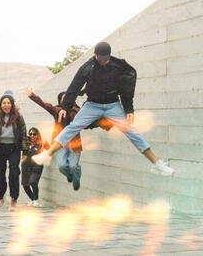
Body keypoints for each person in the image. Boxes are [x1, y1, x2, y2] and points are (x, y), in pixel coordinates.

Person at [32, 42, 175, 176]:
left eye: (105, 59)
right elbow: (74, 86)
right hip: (92, 105)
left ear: (109, 56)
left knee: (132, 132)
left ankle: (156, 163)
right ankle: (47, 155)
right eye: (100, 59)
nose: (103, 61)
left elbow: (126, 89)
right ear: (95, 55)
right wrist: (65, 106)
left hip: (113, 105)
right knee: (73, 127)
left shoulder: (119, 66)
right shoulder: (88, 67)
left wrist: (129, 110)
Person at [25, 87, 113, 190]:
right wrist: (32, 95)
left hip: (74, 144)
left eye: (68, 97)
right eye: (63, 98)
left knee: (73, 166)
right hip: (59, 145)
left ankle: (76, 178)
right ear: (60, 101)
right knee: (62, 167)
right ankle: (70, 175)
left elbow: (91, 123)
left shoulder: (79, 113)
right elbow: (44, 105)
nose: (66, 100)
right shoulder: (56, 111)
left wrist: (107, 123)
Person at [0, 90, 27, 210]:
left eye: (8, 103)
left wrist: (25, 151)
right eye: (4, 103)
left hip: (14, 148)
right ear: (0, 105)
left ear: (12, 104)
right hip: (0, 148)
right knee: (0, 174)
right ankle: (0, 197)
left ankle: (14, 199)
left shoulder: (18, 117)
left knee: (14, 173)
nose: (6, 105)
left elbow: (23, 134)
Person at [21, 128, 49, 207]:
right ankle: (32, 200)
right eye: (30, 134)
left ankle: (36, 200)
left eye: (34, 134)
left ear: (37, 135)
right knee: (25, 185)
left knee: (33, 182)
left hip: (37, 166)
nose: (32, 136)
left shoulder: (41, 144)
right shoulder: (25, 143)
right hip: (26, 166)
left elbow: (50, 149)